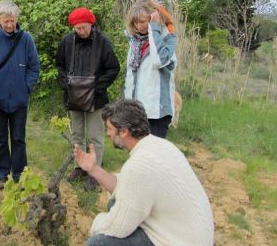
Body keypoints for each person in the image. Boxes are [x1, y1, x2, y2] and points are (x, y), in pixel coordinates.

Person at [74, 99, 214, 246]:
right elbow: (127, 188)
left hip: (179, 240)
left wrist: (96, 223)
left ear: (123, 132)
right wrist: (93, 169)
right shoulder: (160, 145)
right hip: (188, 235)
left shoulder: (140, 165)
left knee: (98, 242)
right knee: (115, 203)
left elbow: (118, 227)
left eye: (109, 128)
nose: (108, 133)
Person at [0, 0, 40, 190]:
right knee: (0, 138)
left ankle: (20, 173)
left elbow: (34, 67)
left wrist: (26, 86)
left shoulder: (26, 39)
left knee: (19, 138)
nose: (10, 25)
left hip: (20, 100)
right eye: (6, 21)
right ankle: (1, 173)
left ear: (17, 19)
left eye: (13, 20)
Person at [56, 7, 120, 191]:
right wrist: (66, 84)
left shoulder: (102, 43)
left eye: (84, 28)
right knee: (77, 134)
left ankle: (94, 171)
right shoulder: (67, 42)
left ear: (91, 24)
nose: (81, 32)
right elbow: (60, 65)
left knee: (95, 136)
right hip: (73, 97)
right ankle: (79, 167)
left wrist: (96, 87)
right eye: (77, 29)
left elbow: (113, 68)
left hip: (96, 99)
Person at [124, 0, 177, 138]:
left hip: (157, 112)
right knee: (138, 154)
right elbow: (130, 77)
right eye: (135, 22)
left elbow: (159, 60)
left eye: (143, 21)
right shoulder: (135, 43)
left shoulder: (168, 39)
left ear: (154, 18)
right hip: (136, 111)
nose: (139, 26)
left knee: (154, 156)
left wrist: (154, 29)